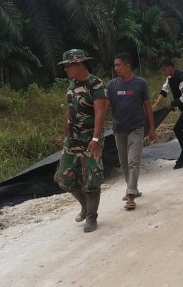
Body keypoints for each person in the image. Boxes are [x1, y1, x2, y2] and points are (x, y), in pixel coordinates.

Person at [54, 49, 108, 233]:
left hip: (90, 139)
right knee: (64, 178)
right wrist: (66, 130)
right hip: (72, 140)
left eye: (68, 65)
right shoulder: (71, 84)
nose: (65, 69)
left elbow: (100, 113)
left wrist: (95, 138)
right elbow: (70, 108)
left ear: (79, 64)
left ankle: (91, 216)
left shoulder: (96, 85)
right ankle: (85, 206)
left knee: (92, 179)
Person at [107, 52, 155, 211]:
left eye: (118, 65)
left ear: (128, 66)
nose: (116, 68)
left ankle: (130, 195)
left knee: (133, 161)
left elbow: (147, 106)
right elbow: (106, 106)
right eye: (114, 65)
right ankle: (133, 187)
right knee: (124, 162)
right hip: (119, 129)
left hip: (136, 127)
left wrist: (152, 127)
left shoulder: (140, 84)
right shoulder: (112, 85)